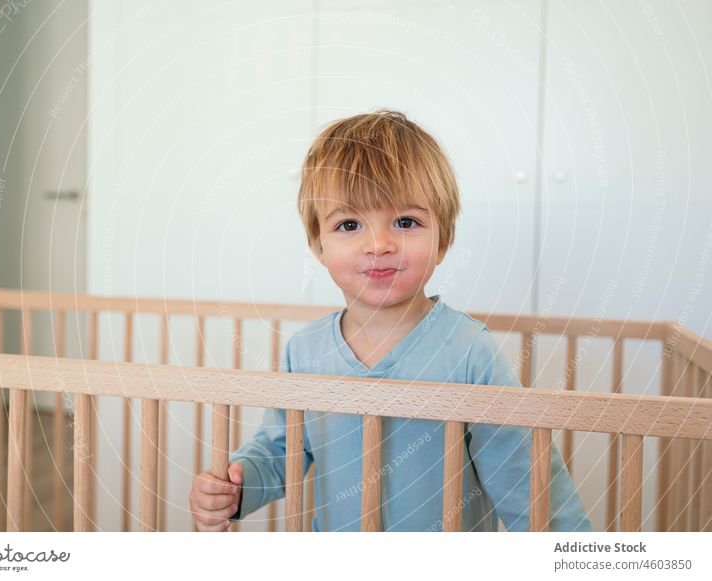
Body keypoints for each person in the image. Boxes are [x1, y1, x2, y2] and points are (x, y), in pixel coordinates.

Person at [189, 109, 593, 532]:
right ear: (318, 245)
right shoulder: (306, 350)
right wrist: (236, 487)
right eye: (349, 224)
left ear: (443, 241)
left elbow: (525, 478)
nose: (379, 244)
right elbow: (279, 452)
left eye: (405, 222)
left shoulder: (469, 351)